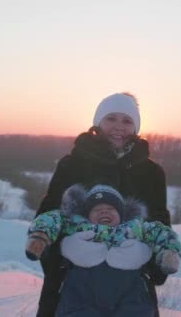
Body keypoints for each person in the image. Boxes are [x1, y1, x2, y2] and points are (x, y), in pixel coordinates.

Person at [34, 92, 171, 317]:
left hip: (131, 287)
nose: (119, 126)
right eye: (111, 118)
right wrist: (59, 263)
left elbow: (159, 220)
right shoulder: (72, 164)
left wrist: (153, 269)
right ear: (98, 122)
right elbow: (49, 213)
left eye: (127, 121)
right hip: (72, 284)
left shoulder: (151, 173)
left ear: (136, 128)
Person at [25, 184, 181, 316]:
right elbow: (52, 218)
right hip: (83, 286)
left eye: (110, 208)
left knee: (136, 308)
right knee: (75, 308)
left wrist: (169, 251)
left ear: (122, 214)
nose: (104, 212)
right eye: (97, 209)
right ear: (87, 215)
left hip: (128, 285)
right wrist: (40, 235)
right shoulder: (77, 225)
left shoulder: (136, 227)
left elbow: (161, 231)